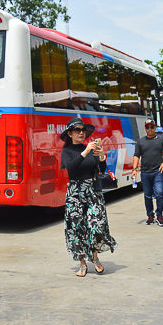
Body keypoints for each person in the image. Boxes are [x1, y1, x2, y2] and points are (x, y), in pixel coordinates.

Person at [60, 117, 117, 277]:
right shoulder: (67, 151)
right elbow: (71, 167)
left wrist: (102, 157)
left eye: (83, 130)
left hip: (93, 192)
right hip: (75, 193)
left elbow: (101, 170)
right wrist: (85, 152)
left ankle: (95, 258)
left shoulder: (91, 149)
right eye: (77, 130)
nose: (81, 133)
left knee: (97, 226)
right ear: (70, 133)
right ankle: (82, 264)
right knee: (76, 229)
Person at [132, 118, 163, 227]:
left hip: (158, 171)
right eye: (147, 127)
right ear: (145, 128)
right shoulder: (140, 141)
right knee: (148, 196)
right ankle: (150, 215)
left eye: (151, 127)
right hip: (145, 172)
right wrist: (134, 169)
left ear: (155, 128)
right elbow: (136, 155)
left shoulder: (161, 139)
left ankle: (160, 215)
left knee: (159, 193)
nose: (149, 129)